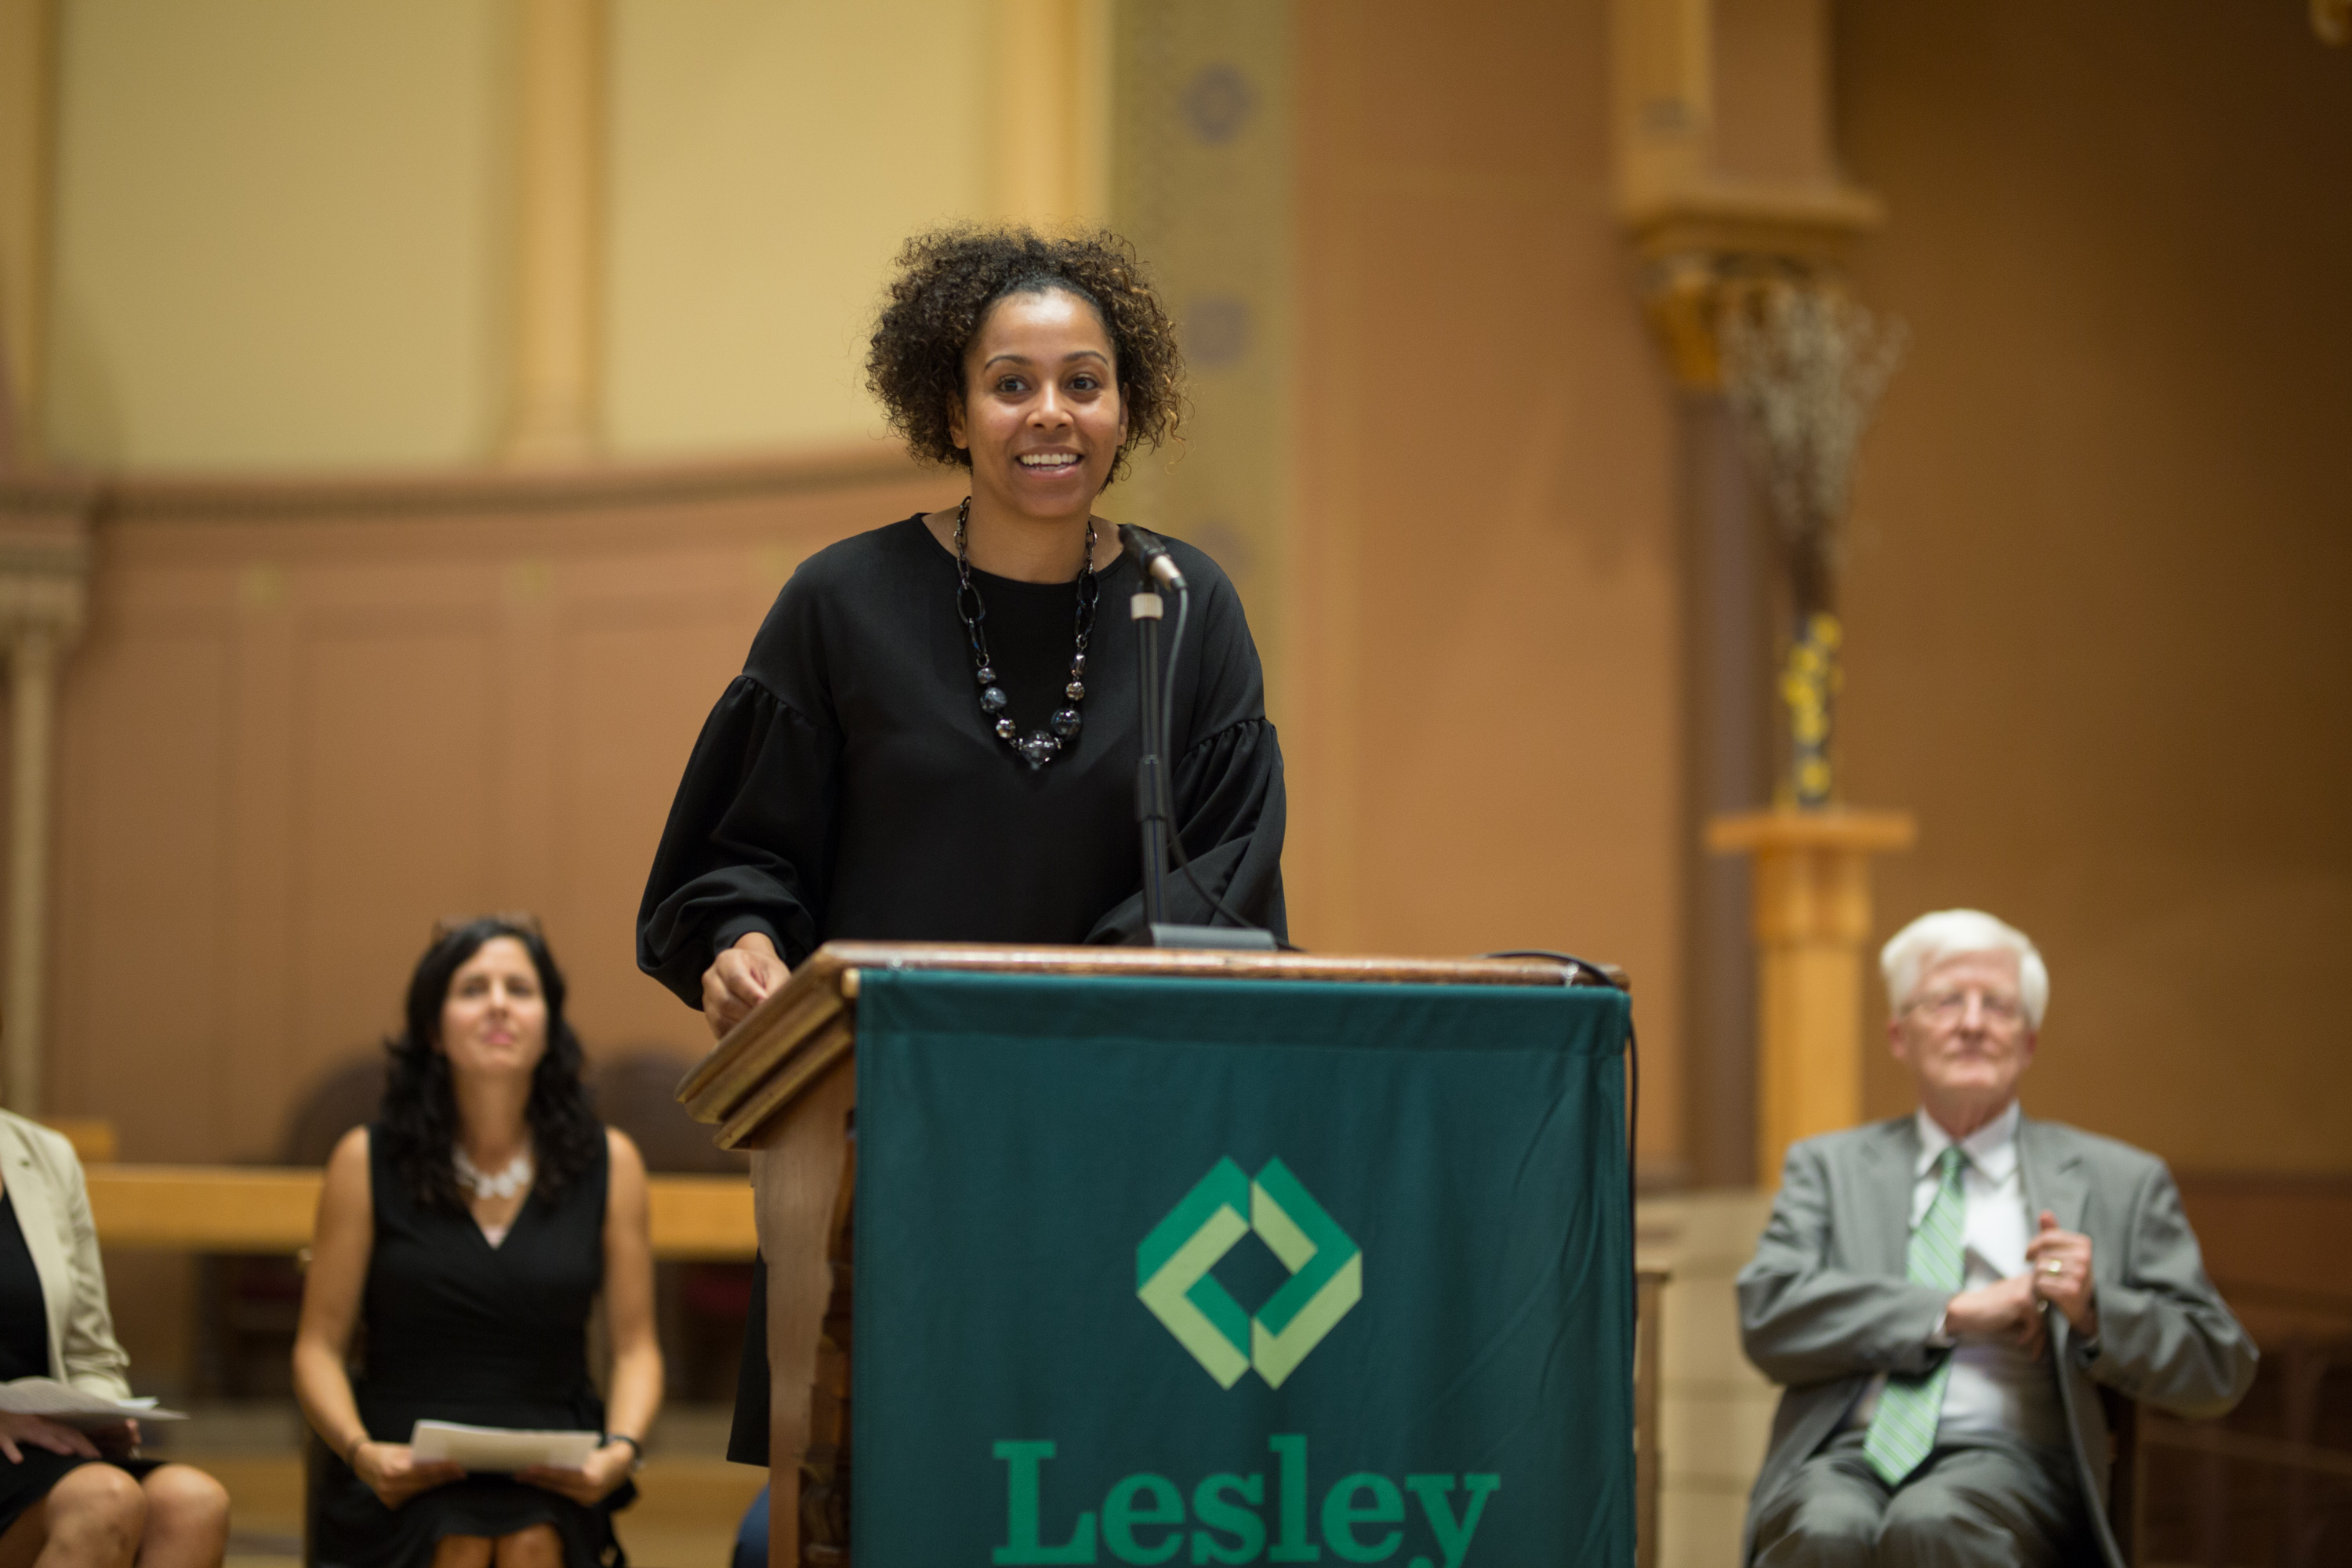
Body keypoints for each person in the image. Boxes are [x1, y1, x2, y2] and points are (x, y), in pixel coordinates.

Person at [637, 227, 1287, 1465]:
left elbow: (1222, 883)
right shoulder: (842, 601)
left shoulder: (1187, 607)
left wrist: (1045, 1036)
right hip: (881, 1146)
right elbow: (736, 855)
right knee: (882, 1494)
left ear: (1125, 405)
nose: (1052, 414)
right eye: (1013, 383)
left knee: (1099, 1495)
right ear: (953, 405)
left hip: (1119, 1147)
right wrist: (742, 943)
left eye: (1084, 382)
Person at [1737, 909, 2257, 1568]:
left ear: (2029, 1042)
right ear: (1900, 1035)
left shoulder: (2119, 1179)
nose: (1974, 1022)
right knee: (1823, 1529)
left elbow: (2221, 1366)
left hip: (2013, 1459)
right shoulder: (1830, 1167)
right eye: (1947, 1000)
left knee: (1933, 1520)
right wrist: (1951, 1312)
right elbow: (1769, 1316)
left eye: (1999, 1006)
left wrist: (2095, 1309)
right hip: (1847, 1454)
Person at [295, 918, 662, 1568]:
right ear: (434, 1031)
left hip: (551, 1461)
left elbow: (636, 1348)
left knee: (530, 1542)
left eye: (519, 988)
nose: (498, 1002)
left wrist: (621, 1451)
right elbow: (317, 1347)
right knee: (458, 1542)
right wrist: (360, 1452)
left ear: (549, 1025)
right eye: (473, 989)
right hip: (399, 1457)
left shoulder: (612, 1163)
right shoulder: (365, 1159)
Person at [0, 1111, 228, 1568]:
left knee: (194, 1503)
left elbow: (92, 1354)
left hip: (46, 1442)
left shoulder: (45, 1156)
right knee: (105, 1500)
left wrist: (100, 1414)